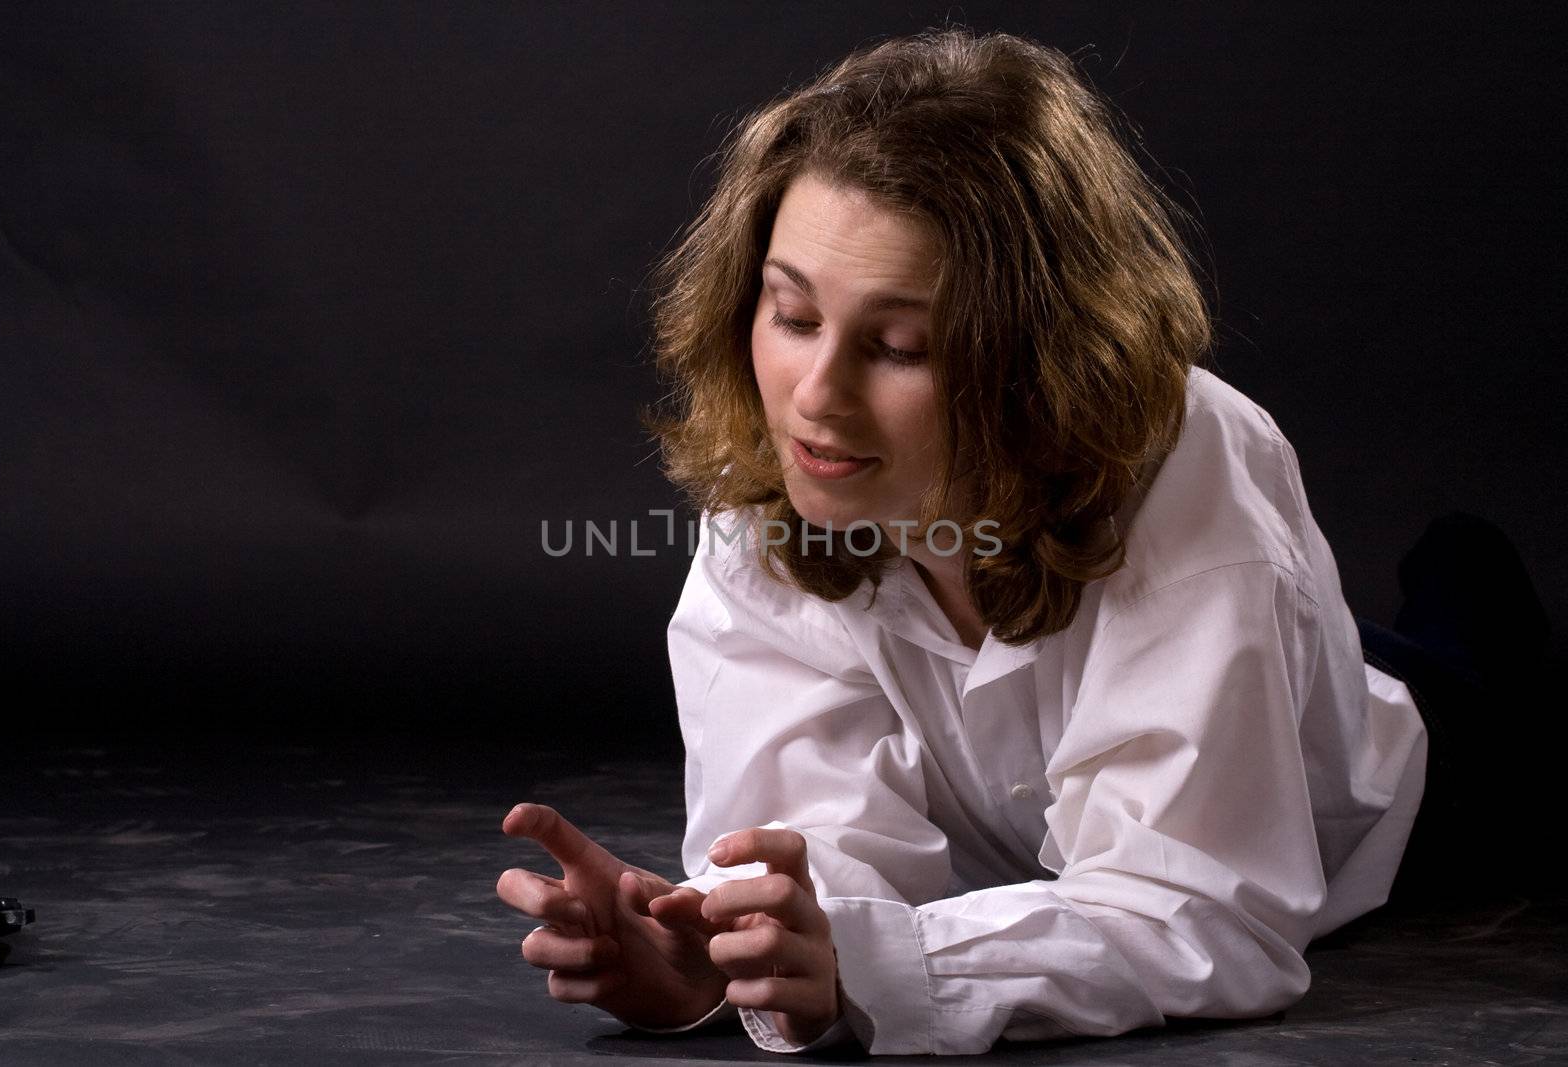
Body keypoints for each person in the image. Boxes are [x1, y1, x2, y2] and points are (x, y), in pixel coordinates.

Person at [493, 27, 1526, 1055]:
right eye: (793, 315)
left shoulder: (1195, 470)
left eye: (901, 346)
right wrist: (724, 962)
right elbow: (816, 869)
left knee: (1481, 655)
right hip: (1143, 759)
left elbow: (1202, 914)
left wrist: (878, 966)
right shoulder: (782, 478)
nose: (815, 400)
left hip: (1414, 773)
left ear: (1040, 360)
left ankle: (1471, 569)